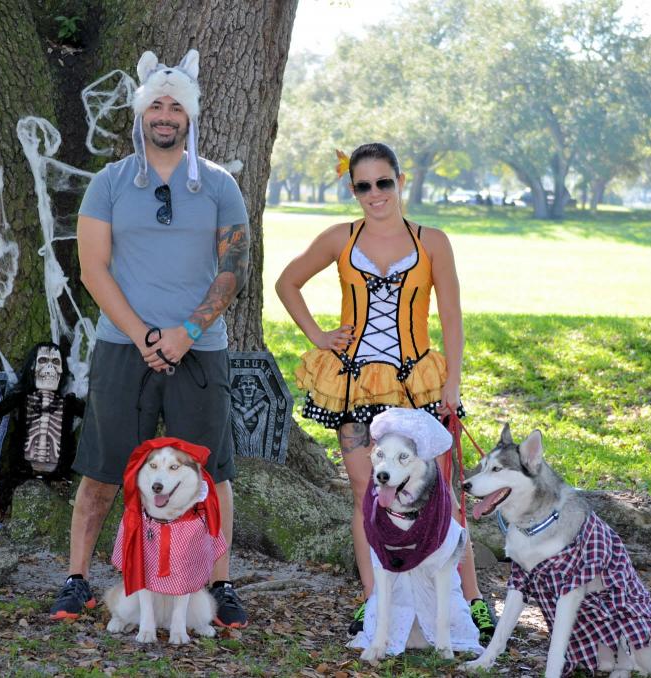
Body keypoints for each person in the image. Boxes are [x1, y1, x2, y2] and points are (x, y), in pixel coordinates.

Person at [48, 49, 250, 629]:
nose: (165, 114)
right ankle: (77, 579)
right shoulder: (110, 182)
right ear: (141, 115)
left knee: (209, 474)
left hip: (200, 348)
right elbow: (92, 268)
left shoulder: (218, 184)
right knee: (104, 470)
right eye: (156, 104)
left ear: (189, 117)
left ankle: (221, 583)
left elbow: (233, 267)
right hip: (122, 346)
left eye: (175, 106)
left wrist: (187, 333)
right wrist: (143, 336)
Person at [274, 142, 496, 641]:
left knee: (443, 495)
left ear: (400, 181)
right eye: (363, 185)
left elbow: (452, 317)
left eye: (383, 182)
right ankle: (375, 599)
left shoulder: (432, 241)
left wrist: (453, 382)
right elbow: (287, 283)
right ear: (352, 189)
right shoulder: (339, 237)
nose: (374, 194)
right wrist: (318, 336)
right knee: (366, 495)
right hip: (353, 386)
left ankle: (472, 598)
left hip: (418, 383)